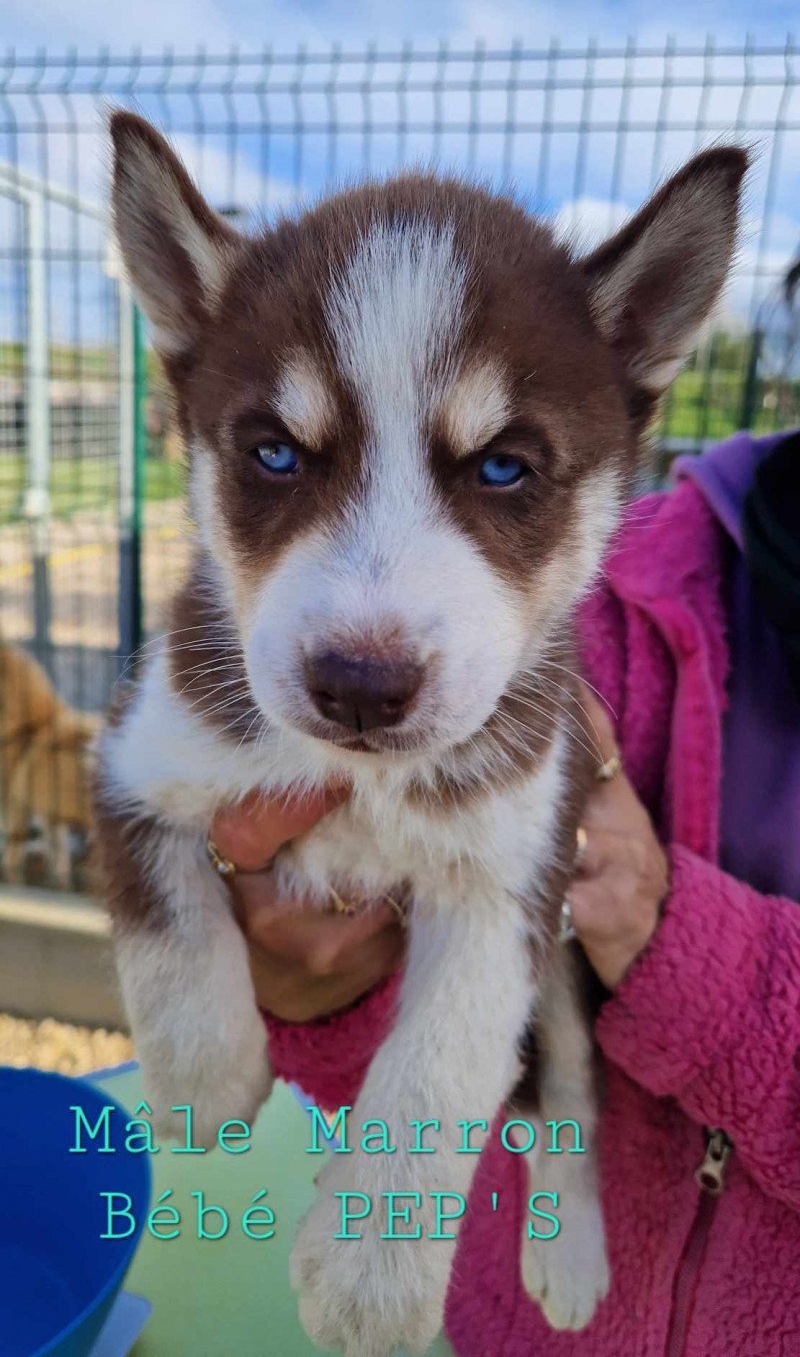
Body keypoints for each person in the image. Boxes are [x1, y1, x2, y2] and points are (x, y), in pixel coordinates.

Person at [209, 428, 800, 1356]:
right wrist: (324, 989)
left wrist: (673, 939)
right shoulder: (603, 576)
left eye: (501, 471)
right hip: (504, 1314)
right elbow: (374, 1011)